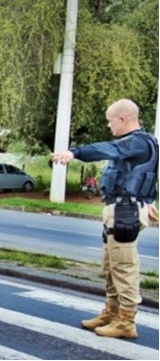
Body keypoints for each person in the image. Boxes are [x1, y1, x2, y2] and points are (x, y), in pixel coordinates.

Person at [51, 99, 158, 339]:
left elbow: (109, 149)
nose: (109, 126)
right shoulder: (141, 143)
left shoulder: (136, 142)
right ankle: (112, 313)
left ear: (123, 119)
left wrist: (74, 152)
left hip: (125, 210)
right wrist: (150, 200)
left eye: (111, 121)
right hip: (123, 208)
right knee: (111, 265)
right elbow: (148, 175)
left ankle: (126, 322)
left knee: (124, 266)